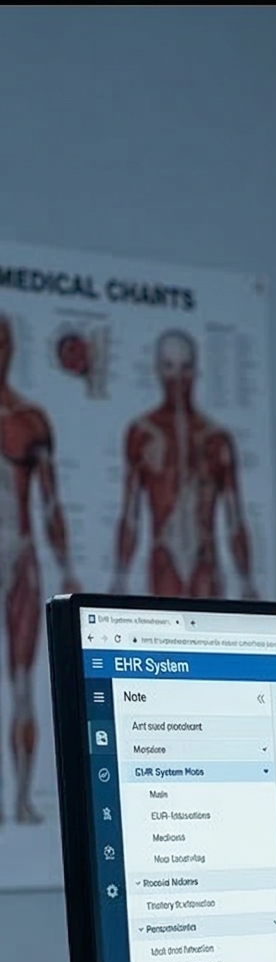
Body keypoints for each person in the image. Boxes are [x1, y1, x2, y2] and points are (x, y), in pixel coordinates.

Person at [0, 313, 77, 825]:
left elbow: (50, 504)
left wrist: (68, 567)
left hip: (20, 552)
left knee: (25, 682)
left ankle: (22, 798)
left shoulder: (30, 420)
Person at [111, 328, 257, 598]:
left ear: (195, 371)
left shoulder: (217, 438)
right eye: (169, 367)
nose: (177, 378)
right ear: (157, 370)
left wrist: (247, 581)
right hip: (164, 556)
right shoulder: (142, 434)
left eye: (185, 368)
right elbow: (131, 512)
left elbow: (234, 518)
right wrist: (120, 577)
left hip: (206, 560)